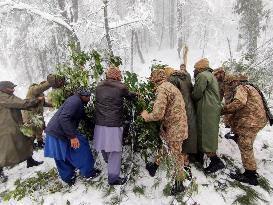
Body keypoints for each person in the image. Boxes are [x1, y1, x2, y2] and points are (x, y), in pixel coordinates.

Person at [141, 69, 188, 195]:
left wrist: (146, 116)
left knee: (176, 156)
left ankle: (179, 184)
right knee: (163, 146)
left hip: (175, 129)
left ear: (154, 79)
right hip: (173, 126)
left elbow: (157, 114)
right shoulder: (170, 87)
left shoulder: (162, 89)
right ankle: (155, 166)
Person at [44, 87, 100, 186]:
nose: (90, 98)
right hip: (58, 131)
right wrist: (72, 137)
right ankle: (88, 173)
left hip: (57, 130)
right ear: (84, 96)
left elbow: (81, 116)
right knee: (81, 148)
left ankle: (69, 178)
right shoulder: (75, 102)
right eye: (89, 97)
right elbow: (64, 118)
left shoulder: (77, 101)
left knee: (61, 155)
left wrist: (95, 124)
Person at [222, 74, 269, 185]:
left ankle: (250, 175)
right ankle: (251, 170)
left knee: (245, 146)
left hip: (250, 122)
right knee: (246, 143)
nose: (230, 86)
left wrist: (223, 109)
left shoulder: (241, 88)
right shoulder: (251, 87)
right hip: (258, 120)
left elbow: (239, 103)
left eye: (230, 84)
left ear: (234, 82)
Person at [94, 66, 137, 186]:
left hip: (99, 122)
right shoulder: (121, 87)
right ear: (117, 75)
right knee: (115, 150)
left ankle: (108, 161)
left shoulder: (98, 86)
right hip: (113, 123)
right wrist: (136, 95)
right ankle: (113, 178)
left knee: (103, 144)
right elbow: (129, 95)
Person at [0, 81, 44, 182]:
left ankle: (30, 161)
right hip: (5, 129)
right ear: (3, 88)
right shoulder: (2, 96)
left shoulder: (7, 95)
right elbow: (18, 103)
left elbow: (19, 103)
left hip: (14, 126)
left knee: (25, 141)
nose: (13, 89)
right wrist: (34, 101)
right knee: (4, 151)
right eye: (11, 88)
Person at [192, 58, 225, 174]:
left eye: (195, 69)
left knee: (205, 134)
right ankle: (199, 156)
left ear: (200, 68)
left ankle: (215, 161)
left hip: (206, 109)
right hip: (212, 109)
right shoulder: (211, 76)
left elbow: (197, 93)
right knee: (207, 134)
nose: (194, 72)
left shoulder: (203, 76)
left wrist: (190, 97)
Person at [164, 65, 197, 172]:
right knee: (188, 134)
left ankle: (183, 165)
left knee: (180, 138)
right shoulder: (186, 76)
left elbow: (171, 96)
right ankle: (187, 160)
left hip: (180, 110)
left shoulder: (172, 80)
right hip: (191, 107)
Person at [22, 74, 64, 148]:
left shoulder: (41, 94)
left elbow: (44, 103)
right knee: (31, 131)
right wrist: (50, 82)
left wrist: (55, 104)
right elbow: (40, 88)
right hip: (29, 114)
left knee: (39, 128)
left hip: (37, 114)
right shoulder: (33, 89)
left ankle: (40, 142)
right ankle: (29, 146)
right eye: (44, 87)